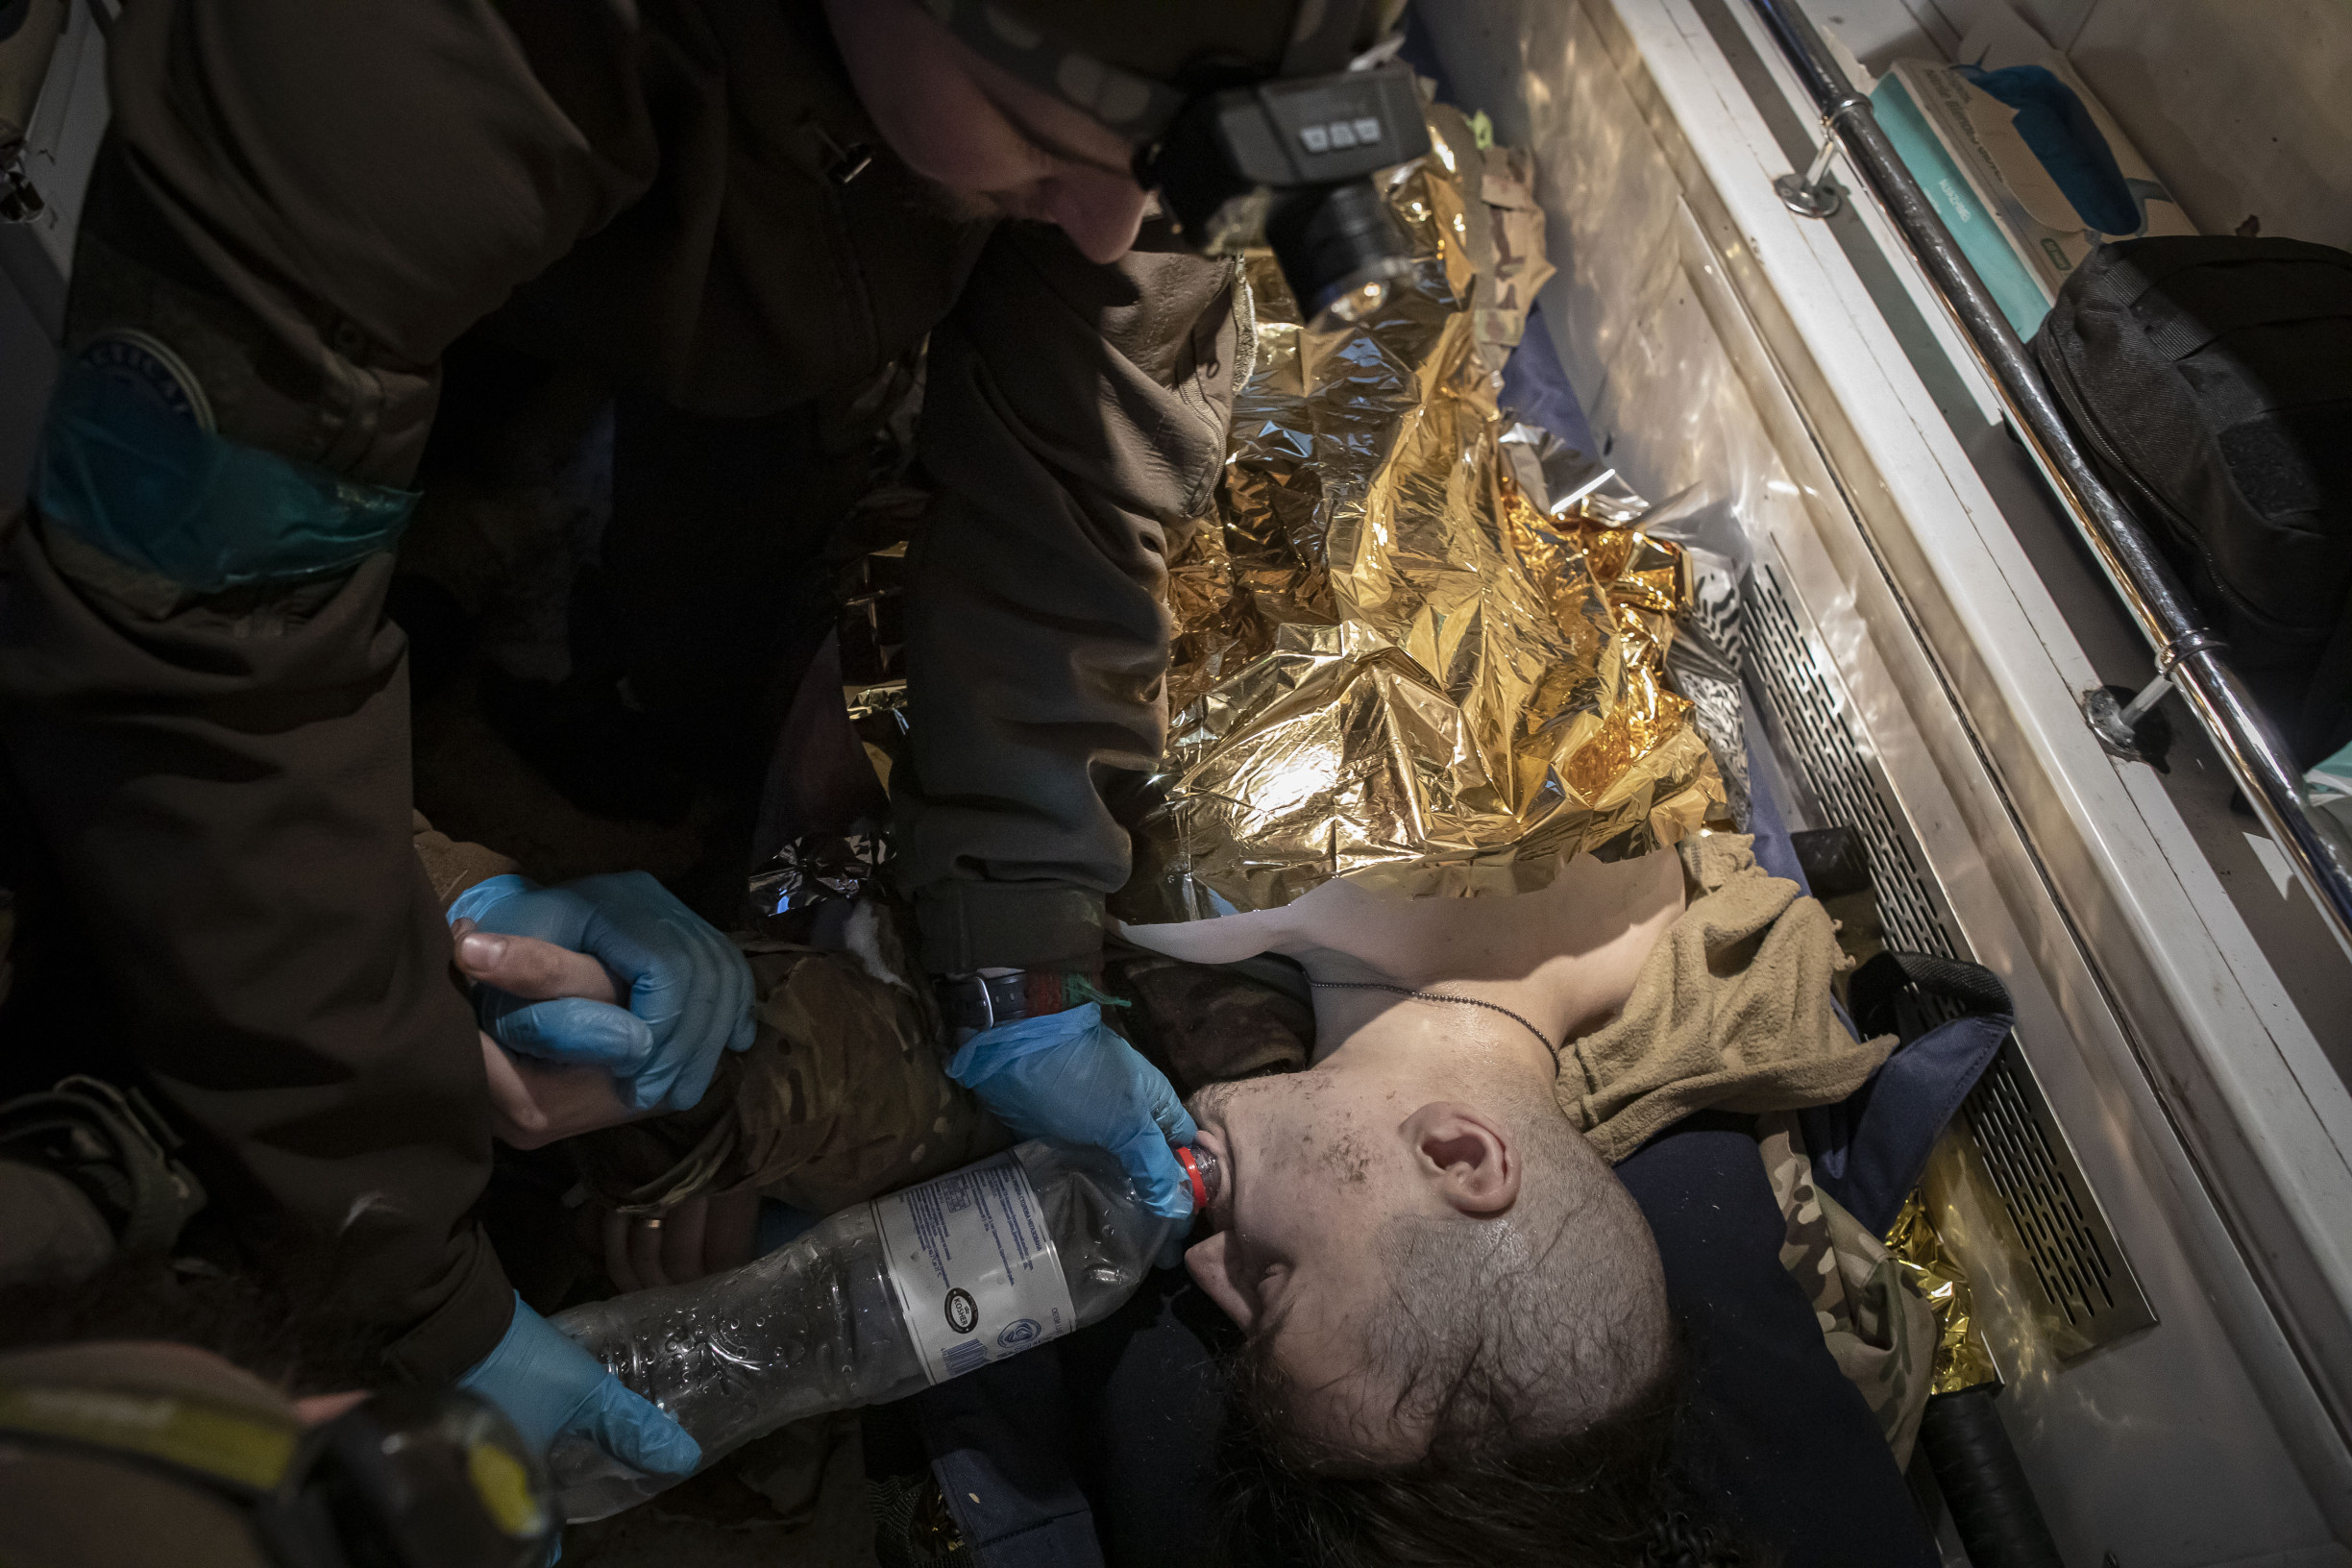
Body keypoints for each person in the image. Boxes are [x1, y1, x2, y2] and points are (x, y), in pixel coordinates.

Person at [0, 0, 1409, 1473]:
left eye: (1161, 174)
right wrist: (407, 1274)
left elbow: (1072, 471)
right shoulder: (397, 62)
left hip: (803, 238)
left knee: (725, 557)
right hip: (429, 300)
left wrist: (1021, 936)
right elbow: (198, 661)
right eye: (1057, 139)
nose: (1114, 222)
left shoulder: (1153, 68)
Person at [1115, 831, 1883, 1564]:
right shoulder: (1207, 882)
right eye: (1272, 1279)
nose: (1204, 1265)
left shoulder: (1653, 917)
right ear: (1460, 1155)